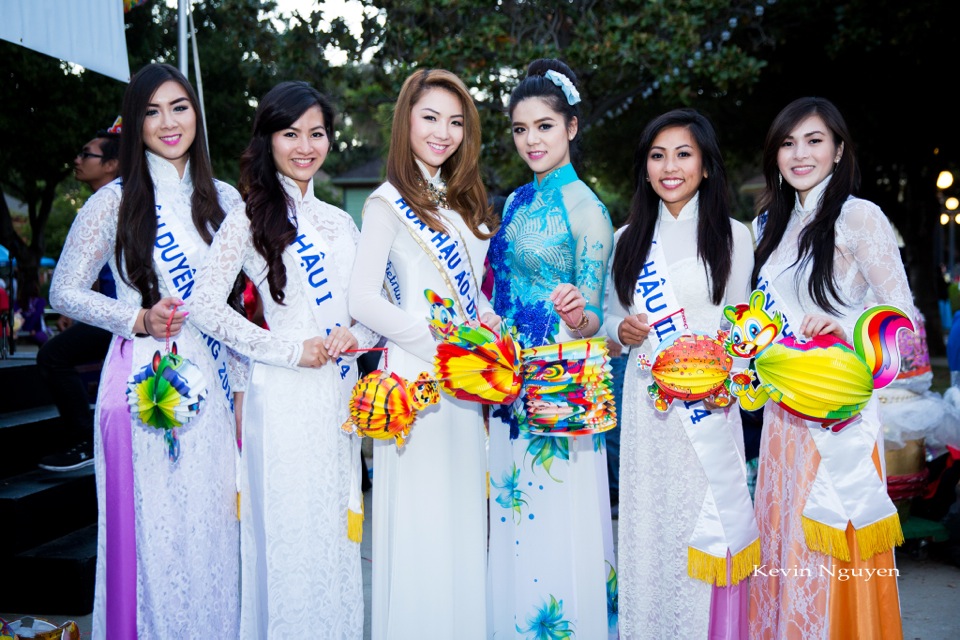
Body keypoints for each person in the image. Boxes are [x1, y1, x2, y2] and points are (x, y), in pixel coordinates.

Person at [49, 63, 242, 638]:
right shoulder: (112, 200)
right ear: (134, 124)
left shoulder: (225, 198)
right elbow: (65, 289)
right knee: (153, 529)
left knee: (212, 528)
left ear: (196, 114)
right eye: (151, 111)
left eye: (178, 106)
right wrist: (135, 317)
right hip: (142, 378)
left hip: (215, 374)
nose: (168, 121)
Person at [190, 80, 377, 638]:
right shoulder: (249, 217)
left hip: (337, 399)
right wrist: (288, 349)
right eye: (289, 133)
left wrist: (356, 332)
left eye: (315, 133)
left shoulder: (343, 223)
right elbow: (204, 305)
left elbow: (368, 309)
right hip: (286, 397)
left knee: (331, 538)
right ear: (268, 139)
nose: (304, 146)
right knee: (289, 536)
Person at [748, 97, 913, 639]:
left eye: (814, 140)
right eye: (788, 142)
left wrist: (849, 327)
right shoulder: (765, 225)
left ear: (839, 150)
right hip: (780, 418)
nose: (800, 154)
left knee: (827, 539)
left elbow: (904, 317)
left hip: (837, 417)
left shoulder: (858, 216)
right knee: (784, 539)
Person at [348, 68, 498, 639]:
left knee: (461, 517)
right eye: (430, 117)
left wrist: (485, 332)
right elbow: (361, 298)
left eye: (456, 122)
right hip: (416, 381)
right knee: (419, 521)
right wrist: (436, 345)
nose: (443, 132)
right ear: (406, 120)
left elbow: (474, 297)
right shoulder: (386, 203)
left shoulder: (464, 202)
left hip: (465, 385)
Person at [604, 108, 756, 638]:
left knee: (704, 528)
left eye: (683, 154)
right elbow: (608, 322)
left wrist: (728, 386)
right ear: (644, 167)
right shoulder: (626, 238)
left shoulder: (733, 235)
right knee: (649, 528)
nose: (670, 166)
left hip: (709, 409)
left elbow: (743, 328)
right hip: (647, 409)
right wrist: (618, 331)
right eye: (657, 155)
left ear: (707, 165)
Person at [486, 58, 617, 639]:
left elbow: (593, 320)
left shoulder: (589, 210)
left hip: (558, 383)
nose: (531, 139)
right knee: (511, 510)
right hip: (503, 380)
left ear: (572, 127)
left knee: (555, 513)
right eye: (520, 129)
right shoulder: (514, 202)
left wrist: (575, 313)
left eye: (544, 125)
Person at [37, 121, 122, 471]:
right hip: (114, 315)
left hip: (128, 317)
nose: (77, 159)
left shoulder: (120, 200)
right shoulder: (105, 202)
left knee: (53, 356)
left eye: (86, 154)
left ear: (112, 164)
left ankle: (89, 442)